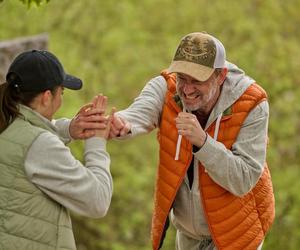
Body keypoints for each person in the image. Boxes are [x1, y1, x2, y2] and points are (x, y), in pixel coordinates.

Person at [110, 32, 275, 250]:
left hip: (236, 234)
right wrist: (122, 123)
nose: (187, 89)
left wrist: (203, 143)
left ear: (221, 75)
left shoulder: (252, 104)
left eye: (197, 81)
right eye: (182, 78)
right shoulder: (166, 87)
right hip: (188, 236)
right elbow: (140, 112)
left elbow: (243, 179)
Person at [0, 50, 114, 250]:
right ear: (46, 97)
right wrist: (96, 141)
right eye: (62, 92)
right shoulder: (40, 145)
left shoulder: (6, 122)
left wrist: (69, 129)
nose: (61, 99)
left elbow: (28, 139)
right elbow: (98, 201)